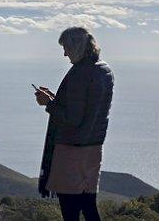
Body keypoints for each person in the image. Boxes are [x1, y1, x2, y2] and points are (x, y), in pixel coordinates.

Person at [34, 27, 114, 221]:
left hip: (72, 151)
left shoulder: (81, 73)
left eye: (66, 48)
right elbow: (86, 108)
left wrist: (49, 104)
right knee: (88, 206)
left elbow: (72, 119)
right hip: (93, 148)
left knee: (70, 210)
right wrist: (55, 98)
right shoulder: (104, 69)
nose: (64, 53)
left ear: (77, 47)